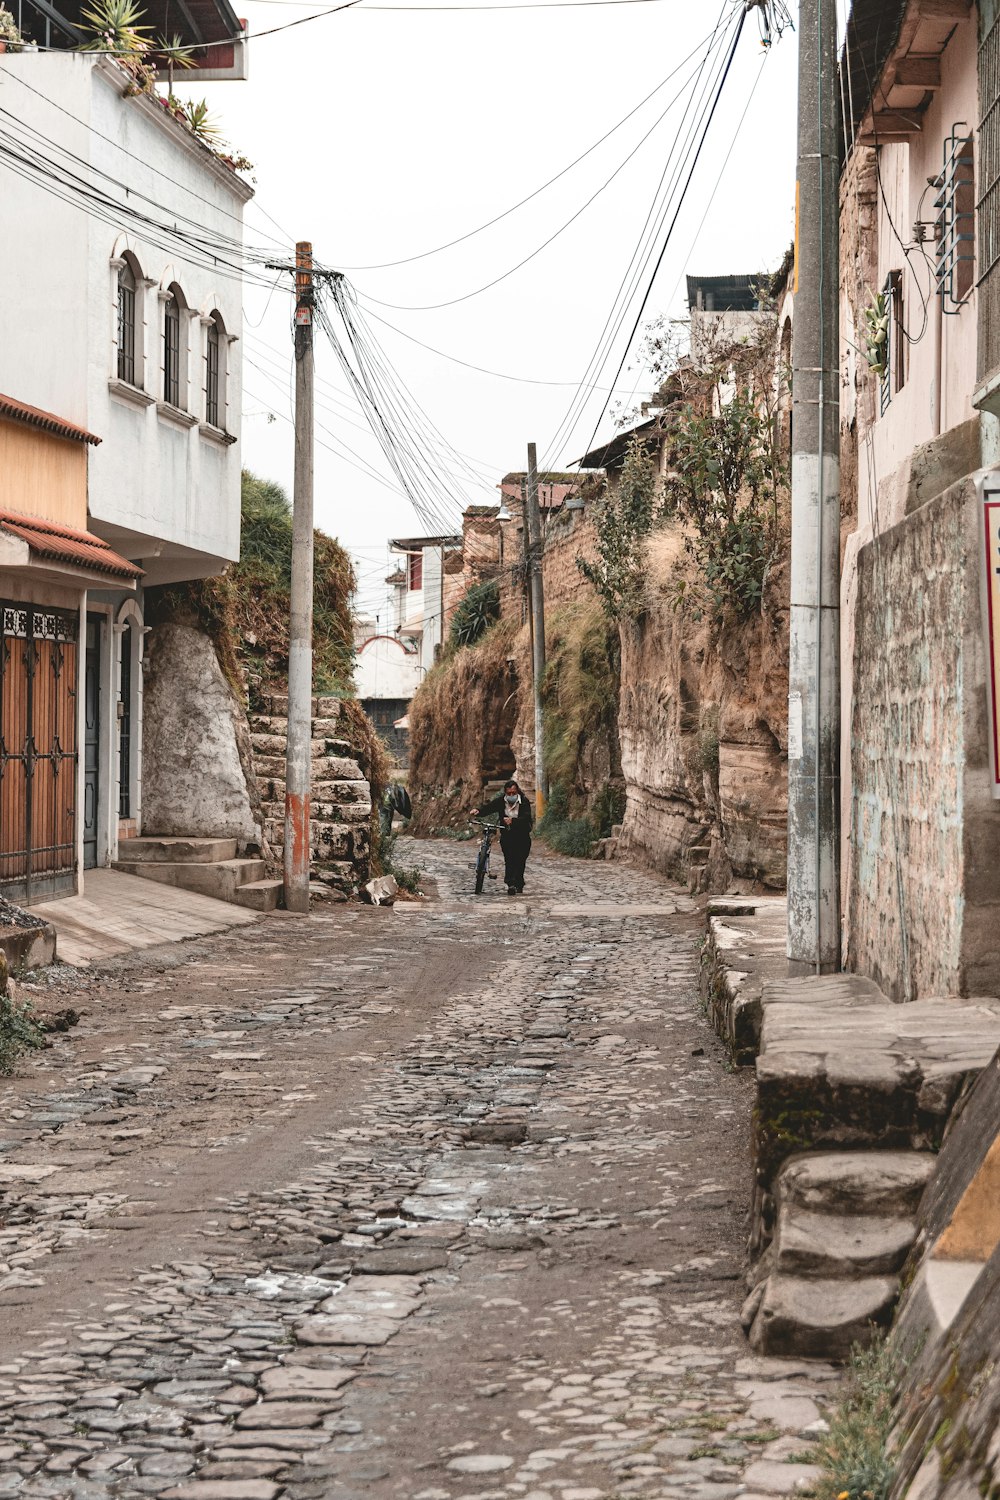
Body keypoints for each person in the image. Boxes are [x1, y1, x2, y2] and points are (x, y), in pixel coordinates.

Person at [472, 779, 533, 895]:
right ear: (505, 793)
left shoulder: (524, 802)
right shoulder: (501, 802)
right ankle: (511, 883)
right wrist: (478, 811)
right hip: (507, 835)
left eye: (513, 793)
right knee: (509, 859)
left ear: (517, 792)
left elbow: (527, 818)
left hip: (522, 836)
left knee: (520, 860)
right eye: (509, 793)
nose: (511, 796)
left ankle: (518, 883)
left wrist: (513, 821)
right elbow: (489, 807)